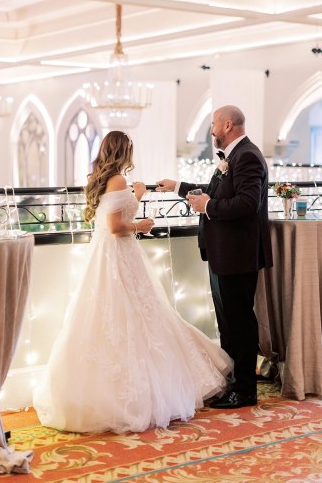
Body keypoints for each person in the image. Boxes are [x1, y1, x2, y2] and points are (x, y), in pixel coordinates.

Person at [33, 130, 232, 433]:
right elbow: (115, 226)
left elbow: (110, 215)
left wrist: (137, 196)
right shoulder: (117, 180)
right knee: (133, 316)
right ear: (124, 151)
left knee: (124, 316)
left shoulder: (104, 179)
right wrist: (141, 224)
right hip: (118, 253)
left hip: (110, 255)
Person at [157, 105, 272, 409]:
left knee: (240, 323)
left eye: (213, 125)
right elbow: (213, 193)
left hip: (238, 253)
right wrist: (178, 187)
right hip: (224, 253)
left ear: (227, 125)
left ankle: (246, 390)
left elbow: (246, 203)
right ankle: (233, 383)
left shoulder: (247, 156)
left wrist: (208, 207)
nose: (211, 131)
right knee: (228, 324)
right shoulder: (230, 158)